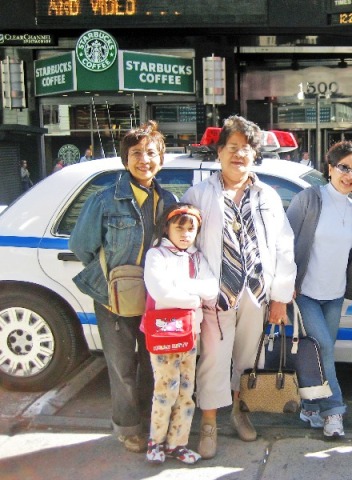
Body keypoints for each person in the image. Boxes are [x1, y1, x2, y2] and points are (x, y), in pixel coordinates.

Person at [181, 115, 296, 458]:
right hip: (214, 294)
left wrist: (279, 298)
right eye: (232, 148)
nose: (239, 155)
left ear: (254, 155)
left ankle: (239, 413)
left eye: (246, 149)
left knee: (249, 358)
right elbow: (185, 247)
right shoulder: (198, 194)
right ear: (220, 152)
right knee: (214, 359)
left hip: (255, 294)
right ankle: (209, 424)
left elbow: (283, 246)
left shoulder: (269, 196)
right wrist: (197, 290)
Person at [69, 121, 177, 453]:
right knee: (121, 366)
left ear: (161, 156)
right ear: (125, 159)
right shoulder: (105, 200)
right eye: (135, 153)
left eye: (151, 152)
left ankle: (152, 422)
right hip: (113, 299)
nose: (144, 159)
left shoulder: (168, 200)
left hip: (156, 299)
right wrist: (113, 275)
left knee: (152, 363)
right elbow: (81, 245)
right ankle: (129, 427)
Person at [286, 141, 352, 439]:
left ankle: (309, 407)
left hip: (336, 295)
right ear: (330, 168)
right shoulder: (309, 199)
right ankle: (334, 411)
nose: (349, 175)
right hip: (305, 292)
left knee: (317, 353)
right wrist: (286, 286)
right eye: (344, 167)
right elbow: (286, 243)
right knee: (324, 349)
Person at [143, 203, 218, 465]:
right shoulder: (156, 255)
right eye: (179, 228)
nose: (185, 234)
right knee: (165, 388)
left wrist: (182, 287)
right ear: (167, 228)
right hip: (163, 334)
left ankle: (178, 443)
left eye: (191, 229)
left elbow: (211, 288)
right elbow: (160, 293)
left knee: (186, 391)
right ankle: (156, 442)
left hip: (189, 334)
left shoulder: (197, 258)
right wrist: (194, 298)